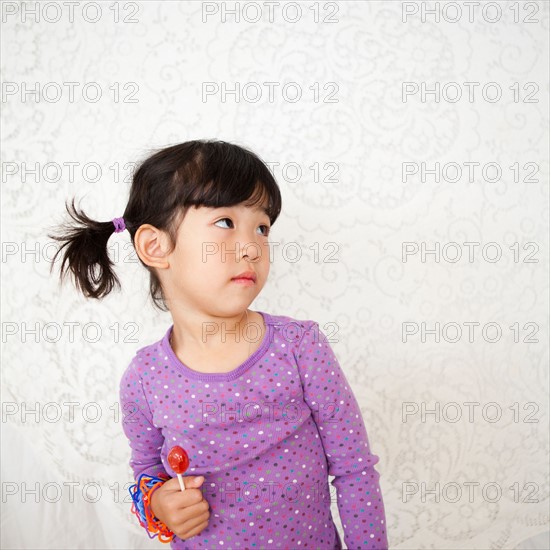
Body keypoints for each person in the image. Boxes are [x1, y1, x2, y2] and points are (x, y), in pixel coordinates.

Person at [48, 139, 389, 549]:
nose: (251, 247)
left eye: (261, 227)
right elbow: (145, 474)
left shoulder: (300, 347)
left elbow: (354, 469)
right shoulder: (144, 379)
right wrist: (157, 504)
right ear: (156, 246)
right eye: (226, 223)